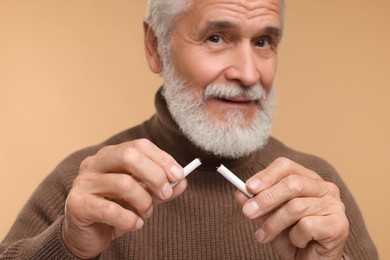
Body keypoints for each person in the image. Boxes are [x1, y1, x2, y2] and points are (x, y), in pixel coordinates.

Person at [0, 0, 378, 259]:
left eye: (263, 41)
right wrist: (68, 246)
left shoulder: (319, 191)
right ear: (155, 45)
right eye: (216, 37)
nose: (248, 74)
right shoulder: (83, 185)